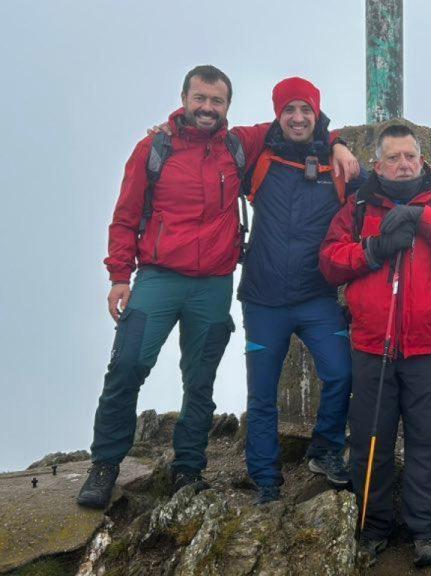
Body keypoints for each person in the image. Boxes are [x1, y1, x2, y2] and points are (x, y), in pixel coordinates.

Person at [319, 124, 431, 566]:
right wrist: (373, 249)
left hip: (428, 347)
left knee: (427, 443)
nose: (403, 164)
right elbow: (330, 262)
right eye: (393, 157)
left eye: (410, 155)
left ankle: (424, 532)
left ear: (422, 159)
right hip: (373, 347)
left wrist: (424, 220)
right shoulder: (357, 206)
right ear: (378, 164)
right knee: (370, 441)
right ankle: (372, 528)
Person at [78, 65, 242, 508]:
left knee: (200, 379)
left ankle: (188, 467)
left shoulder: (238, 146)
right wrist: (118, 276)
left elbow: (297, 127)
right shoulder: (153, 148)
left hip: (213, 283)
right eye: (200, 99)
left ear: (228, 105)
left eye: (217, 101)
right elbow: (125, 215)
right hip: (157, 277)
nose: (207, 108)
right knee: (127, 364)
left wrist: (338, 144)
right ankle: (106, 465)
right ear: (184, 98)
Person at [236, 77, 365, 504]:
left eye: (305, 110)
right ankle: (266, 482)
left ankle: (326, 449)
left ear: (316, 114)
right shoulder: (261, 155)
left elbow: (382, 191)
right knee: (261, 397)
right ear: (278, 113)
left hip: (316, 297)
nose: (297, 118)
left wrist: (340, 143)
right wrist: (167, 128)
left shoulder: (336, 163)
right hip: (263, 299)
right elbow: (211, 148)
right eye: (289, 110)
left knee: (341, 373)